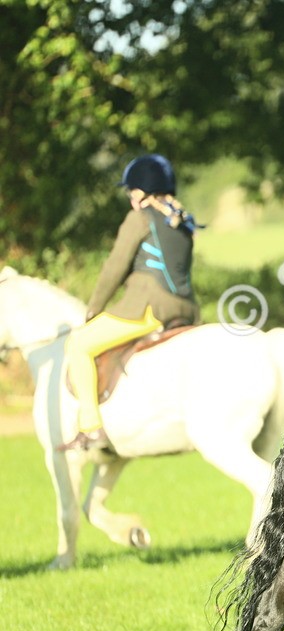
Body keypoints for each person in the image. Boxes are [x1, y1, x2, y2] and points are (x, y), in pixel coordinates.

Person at [58, 154, 200, 452]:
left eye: (131, 190)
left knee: (79, 343)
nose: (129, 197)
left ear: (142, 191)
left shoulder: (140, 217)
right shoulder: (183, 221)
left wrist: (94, 308)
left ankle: (91, 427)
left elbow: (115, 267)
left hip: (148, 308)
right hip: (186, 308)